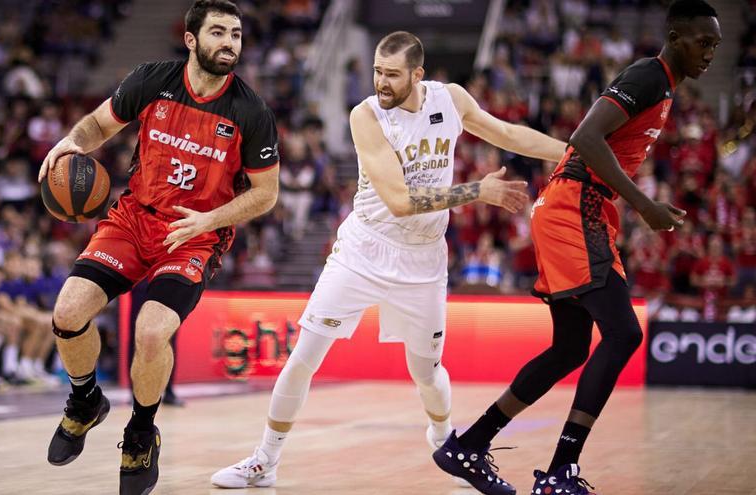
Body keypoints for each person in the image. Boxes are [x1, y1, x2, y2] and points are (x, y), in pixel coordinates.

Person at [211, 31, 566, 489]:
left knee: (427, 371)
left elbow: (506, 133)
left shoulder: (450, 99)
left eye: (392, 74)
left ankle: (446, 443)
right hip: (365, 249)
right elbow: (399, 201)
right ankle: (265, 459)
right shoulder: (366, 115)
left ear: (418, 74)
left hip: (423, 260)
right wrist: (478, 190)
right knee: (303, 358)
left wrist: (574, 152)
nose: (381, 81)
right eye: (378, 71)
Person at [434, 2, 722, 494]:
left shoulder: (664, 85)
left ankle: (469, 444)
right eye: (703, 42)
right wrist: (644, 205)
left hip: (576, 208)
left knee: (570, 347)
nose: (710, 53)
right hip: (576, 206)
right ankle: (560, 471)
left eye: (716, 45)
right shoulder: (649, 74)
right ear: (676, 36)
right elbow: (586, 137)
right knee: (624, 333)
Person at [39, 2, 280, 494]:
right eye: (218, 32)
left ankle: (141, 431)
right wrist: (69, 142)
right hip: (134, 218)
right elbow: (99, 125)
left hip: (194, 235)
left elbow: (266, 193)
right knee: (67, 312)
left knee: (151, 333)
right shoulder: (152, 80)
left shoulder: (250, 112)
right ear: (191, 39)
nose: (230, 42)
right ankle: (85, 400)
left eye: (236, 34)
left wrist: (210, 219)